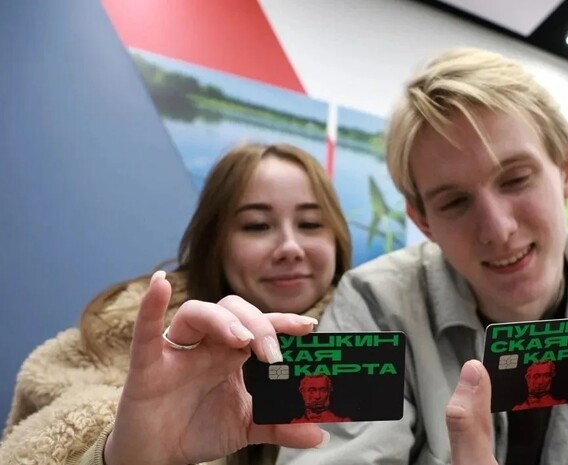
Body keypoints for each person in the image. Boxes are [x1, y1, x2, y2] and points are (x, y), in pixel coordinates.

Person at [278, 48, 568, 465]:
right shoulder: (372, 305)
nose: (497, 229)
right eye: (455, 202)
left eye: (515, 179)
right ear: (423, 220)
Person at [1, 143, 352, 464]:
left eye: (310, 223)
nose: (290, 247)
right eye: (257, 225)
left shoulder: (368, 333)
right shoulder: (115, 343)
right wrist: (121, 456)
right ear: (214, 241)